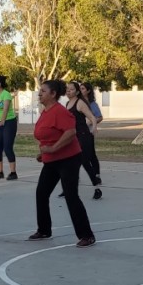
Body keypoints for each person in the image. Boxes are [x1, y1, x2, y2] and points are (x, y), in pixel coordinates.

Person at [29, 80, 95, 248]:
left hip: (69, 159)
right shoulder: (45, 112)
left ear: (53, 94)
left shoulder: (60, 111)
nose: (39, 93)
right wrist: (44, 152)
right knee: (41, 193)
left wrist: (53, 149)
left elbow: (71, 132)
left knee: (71, 195)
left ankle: (86, 235)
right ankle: (44, 230)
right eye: (39, 91)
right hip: (51, 160)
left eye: (43, 91)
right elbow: (48, 136)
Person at [65, 81, 102, 200]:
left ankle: (96, 188)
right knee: (70, 162)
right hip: (73, 137)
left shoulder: (80, 103)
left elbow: (92, 117)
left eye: (71, 89)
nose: (68, 91)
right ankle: (69, 189)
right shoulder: (67, 104)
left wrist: (94, 128)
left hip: (84, 136)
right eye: (67, 89)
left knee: (85, 162)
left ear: (76, 91)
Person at [80, 82, 103, 182]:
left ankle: (96, 176)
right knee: (75, 156)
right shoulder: (77, 102)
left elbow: (99, 117)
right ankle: (74, 177)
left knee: (90, 155)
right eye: (80, 88)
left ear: (88, 91)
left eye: (83, 88)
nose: (80, 90)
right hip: (77, 133)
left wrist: (90, 122)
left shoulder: (92, 104)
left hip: (88, 133)